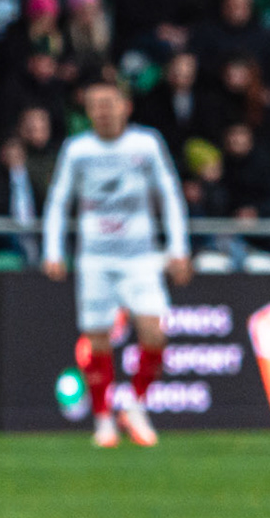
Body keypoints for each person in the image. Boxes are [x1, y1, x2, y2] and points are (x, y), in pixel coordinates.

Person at [42, 74, 192, 449]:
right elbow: (59, 200)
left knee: (155, 333)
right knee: (97, 341)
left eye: (109, 104)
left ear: (126, 107)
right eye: (95, 106)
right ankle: (103, 420)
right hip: (95, 258)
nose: (103, 112)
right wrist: (53, 251)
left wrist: (178, 247)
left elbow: (170, 194)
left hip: (140, 256)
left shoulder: (146, 144)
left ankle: (137, 406)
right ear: (88, 111)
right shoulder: (78, 150)